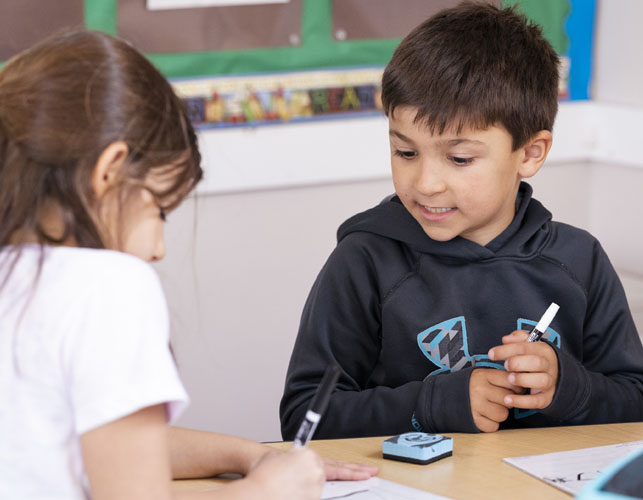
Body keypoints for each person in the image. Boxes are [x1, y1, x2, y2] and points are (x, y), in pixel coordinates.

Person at [0, 29, 377, 499]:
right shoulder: (109, 286)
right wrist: (263, 492)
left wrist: (253, 456)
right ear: (109, 171)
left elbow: (115, 446)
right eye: (159, 210)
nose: (158, 247)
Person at [280, 2, 643, 439]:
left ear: (530, 153)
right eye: (406, 152)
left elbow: (634, 400)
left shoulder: (579, 259)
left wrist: (568, 386)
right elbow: (304, 420)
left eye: (459, 158)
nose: (426, 183)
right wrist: (434, 404)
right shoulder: (365, 260)